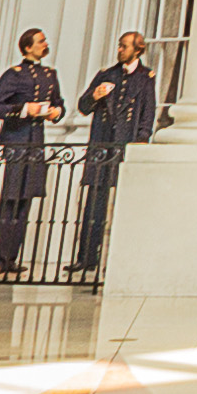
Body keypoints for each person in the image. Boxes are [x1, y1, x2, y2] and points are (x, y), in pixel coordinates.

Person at [70, 29, 158, 278]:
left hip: (125, 144)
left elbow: (148, 112)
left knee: (124, 203)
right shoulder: (106, 75)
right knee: (93, 203)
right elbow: (83, 106)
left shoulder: (146, 77)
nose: (119, 50)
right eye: (119, 46)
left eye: (124, 46)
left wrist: (141, 140)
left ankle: (120, 258)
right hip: (101, 143)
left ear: (137, 49)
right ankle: (86, 257)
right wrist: (95, 95)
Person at [0, 27, 67, 275]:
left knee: (24, 201)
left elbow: (59, 102)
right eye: (40, 41)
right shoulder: (15, 74)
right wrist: (22, 109)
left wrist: (56, 112)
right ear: (28, 47)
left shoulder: (50, 74)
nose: (45, 44)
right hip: (15, 139)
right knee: (9, 199)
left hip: (35, 142)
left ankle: (11, 256)